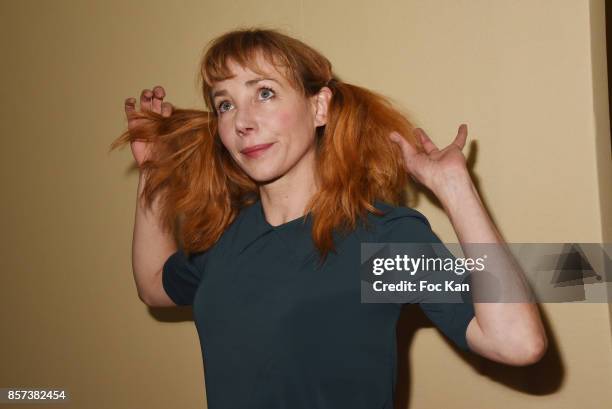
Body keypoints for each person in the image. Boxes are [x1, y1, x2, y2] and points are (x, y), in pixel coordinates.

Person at [110, 28, 547, 409]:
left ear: (319, 108)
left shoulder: (380, 241)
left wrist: (455, 188)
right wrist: (153, 172)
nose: (243, 121)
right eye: (225, 104)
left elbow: (516, 343)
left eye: (264, 93)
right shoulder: (226, 238)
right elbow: (154, 285)